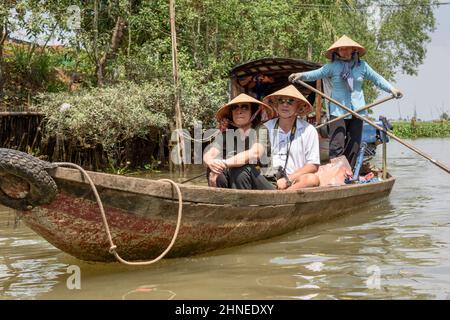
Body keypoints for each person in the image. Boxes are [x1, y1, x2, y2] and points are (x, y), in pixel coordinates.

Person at [289, 35, 402, 169]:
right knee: (337, 144)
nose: (343, 51)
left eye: (346, 49)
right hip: (338, 110)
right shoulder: (333, 66)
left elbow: (377, 79)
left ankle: (349, 172)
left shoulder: (363, 66)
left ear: (353, 50)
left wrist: (392, 89)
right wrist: (301, 75)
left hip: (357, 111)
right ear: (337, 52)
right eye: (340, 49)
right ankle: (336, 173)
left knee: (354, 144)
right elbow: (316, 74)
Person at [203, 93, 276, 190]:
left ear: (253, 112)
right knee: (215, 170)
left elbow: (255, 153)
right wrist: (211, 163)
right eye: (235, 108)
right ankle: (224, 203)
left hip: (263, 182)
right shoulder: (228, 133)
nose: (239, 111)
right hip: (238, 180)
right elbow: (210, 153)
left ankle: (242, 204)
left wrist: (224, 163)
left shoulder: (260, 129)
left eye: (245, 107)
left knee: (240, 169)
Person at [262, 85, 320, 190]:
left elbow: (313, 165)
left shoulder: (309, 130)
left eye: (290, 101)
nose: (285, 105)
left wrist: (288, 179)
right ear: (276, 104)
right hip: (268, 179)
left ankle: (284, 195)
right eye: (281, 101)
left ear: (298, 106)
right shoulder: (266, 127)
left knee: (313, 179)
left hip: (293, 181)